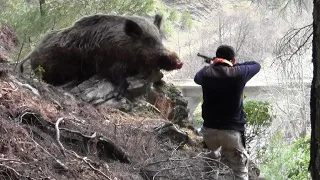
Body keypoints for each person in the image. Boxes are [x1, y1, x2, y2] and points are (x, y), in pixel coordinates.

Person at [194, 45, 261, 180]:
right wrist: (232, 64)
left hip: (209, 130)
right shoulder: (240, 73)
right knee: (240, 172)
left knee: (210, 171)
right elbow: (256, 65)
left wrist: (215, 64)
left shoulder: (206, 73)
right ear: (233, 60)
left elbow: (197, 78)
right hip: (232, 132)